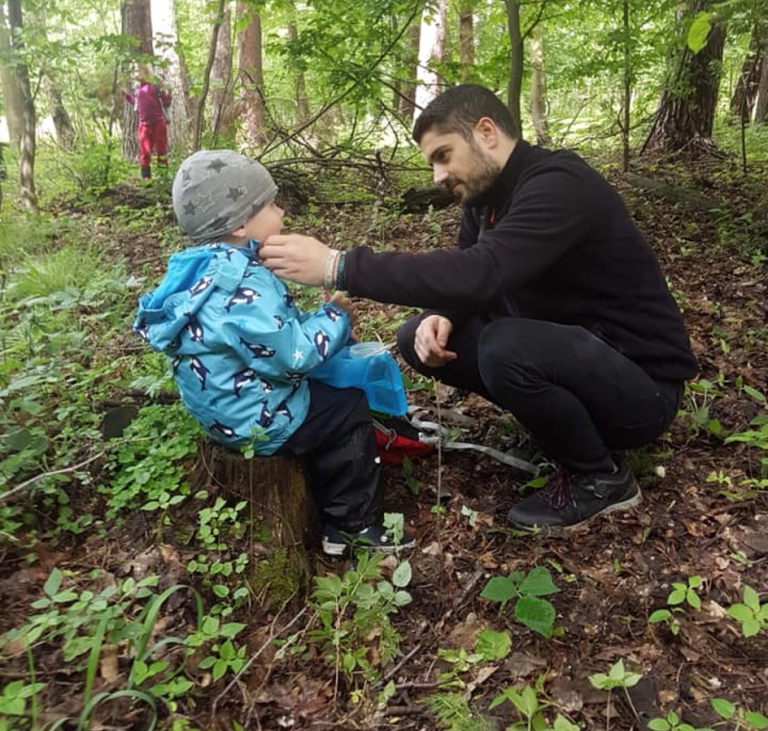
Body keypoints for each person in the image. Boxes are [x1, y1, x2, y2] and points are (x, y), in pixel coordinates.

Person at [260, 84, 698, 531]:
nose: (437, 175)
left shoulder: (560, 184)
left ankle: (600, 478)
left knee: (505, 346)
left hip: (641, 390)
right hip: (575, 357)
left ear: (486, 132)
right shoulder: (484, 197)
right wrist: (445, 315)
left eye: (443, 155)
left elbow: (482, 271)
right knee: (417, 336)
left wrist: (339, 266)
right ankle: (563, 428)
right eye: (432, 163)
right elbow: (472, 279)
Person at [133, 149, 415, 556]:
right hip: (259, 418)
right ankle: (352, 526)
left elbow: (265, 337)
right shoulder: (242, 282)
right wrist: (336, 317)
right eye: (270, 205)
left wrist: (315, 320)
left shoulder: (198, 271)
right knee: (347, 408)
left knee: (328, 397)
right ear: (239, 223)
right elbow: (292, 358)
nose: (281, 212)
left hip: (222, 412)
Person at [125, 67, 171, 179]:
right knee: (145, 152)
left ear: (144, 72)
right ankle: (146, 178)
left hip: (158, 122)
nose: (135, 74)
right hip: (144, 125)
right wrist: (126, 96)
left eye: (137, 71)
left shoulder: (155, 86)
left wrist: (169, 93)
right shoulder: (137, 89)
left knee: (161, 149)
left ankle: (163, 177)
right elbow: (136, 104)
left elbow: (166, 102)